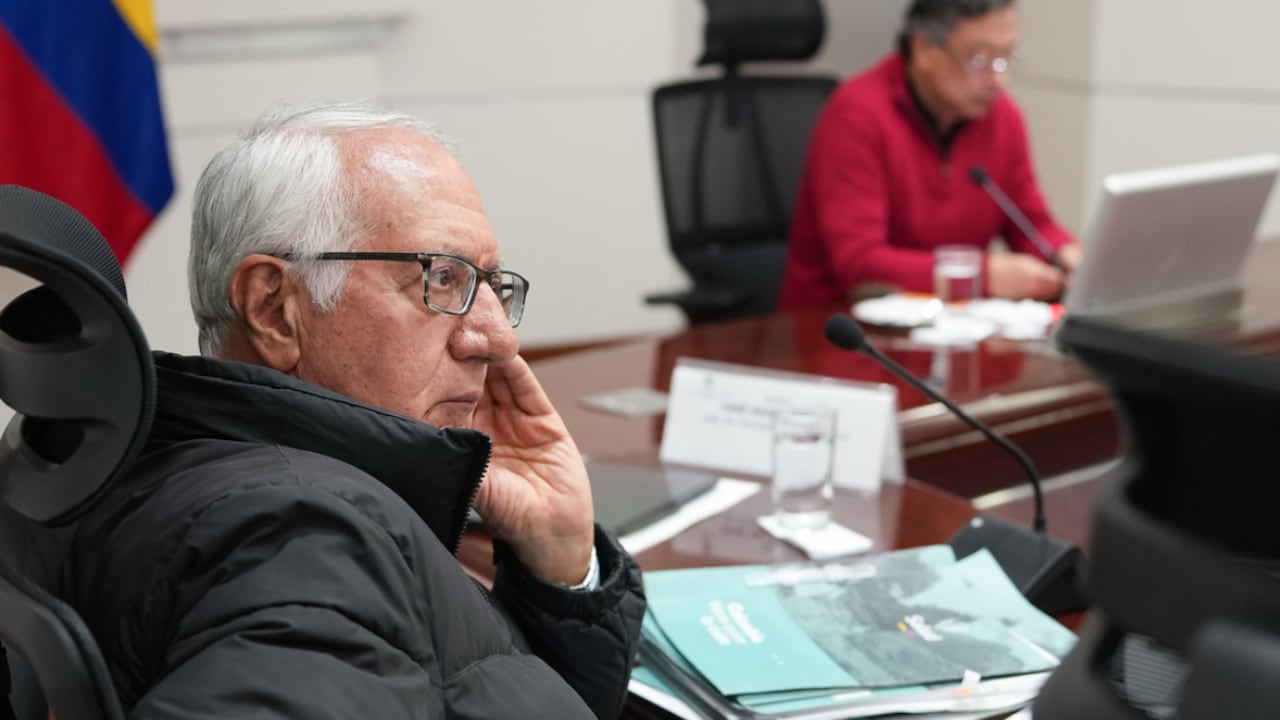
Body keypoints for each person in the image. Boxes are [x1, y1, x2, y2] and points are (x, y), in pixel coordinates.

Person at [61, 102, 646, 719]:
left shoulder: (222, 476)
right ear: (274, 310)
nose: (497, 338)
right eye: (442, 278)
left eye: (491, 286)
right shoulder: (301, 534)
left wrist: (558, 560)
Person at [778, 0, 1083, 311]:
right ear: (924, 49)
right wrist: (984, 276)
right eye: (980, 60)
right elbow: (861, 266)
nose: (998, 80)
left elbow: (1031, 223)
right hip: (835, 332)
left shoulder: (1003, 118)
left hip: (953, 327)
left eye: (1005, 59)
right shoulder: (856, 115)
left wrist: (1064, 254)